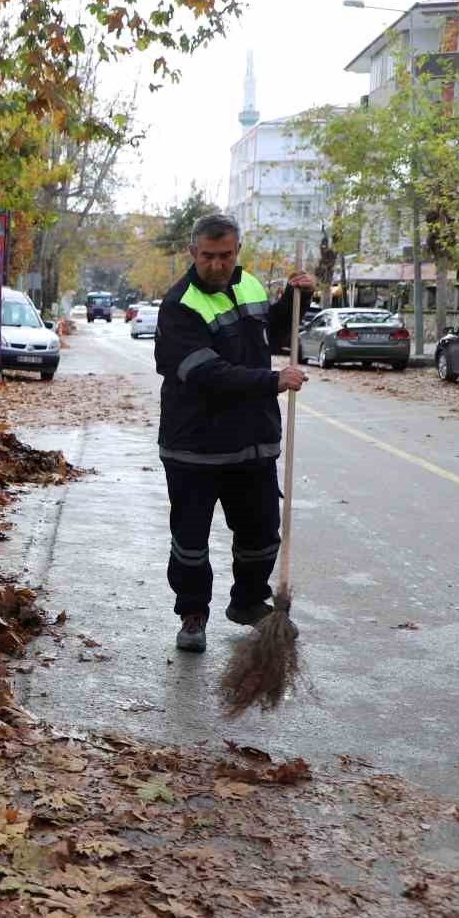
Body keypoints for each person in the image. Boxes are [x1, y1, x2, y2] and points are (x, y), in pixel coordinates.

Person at [154, 213, 314, 652]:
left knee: (262, 534)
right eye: (208, 256)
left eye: (225, 256)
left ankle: (247, 601)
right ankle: (192, 614)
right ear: (193, 253)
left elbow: (272, 336)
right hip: (195, 448)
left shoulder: (251, 287)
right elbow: (209, 375)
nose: (217, 265)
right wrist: (271, 381)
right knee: (191, 542)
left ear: (236, 252)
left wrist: (295, 299)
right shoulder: (179, 306)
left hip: (251, 443)